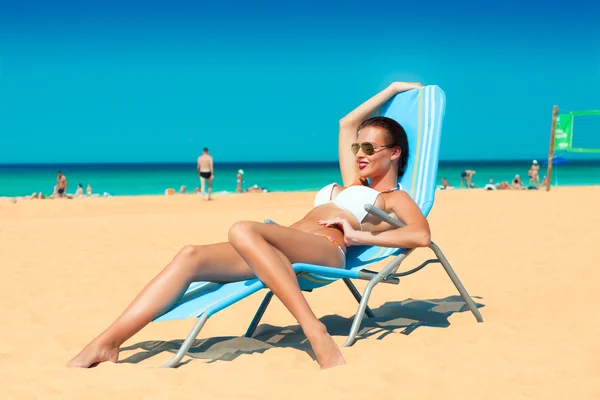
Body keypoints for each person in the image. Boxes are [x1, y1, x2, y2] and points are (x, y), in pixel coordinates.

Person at [67, 81, 430, 370]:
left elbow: (421, 235)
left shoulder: (392, 198)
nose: (360, 155)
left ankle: (315, 330)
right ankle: (109, 342)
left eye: (370, 149)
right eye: (358, 150)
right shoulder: (353, 182)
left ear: (394, 152)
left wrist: (357, 234)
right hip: (279, 251)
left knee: (243, 228)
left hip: (325, 251)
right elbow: (346, 124)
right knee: (190, 255)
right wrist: (392, 90)